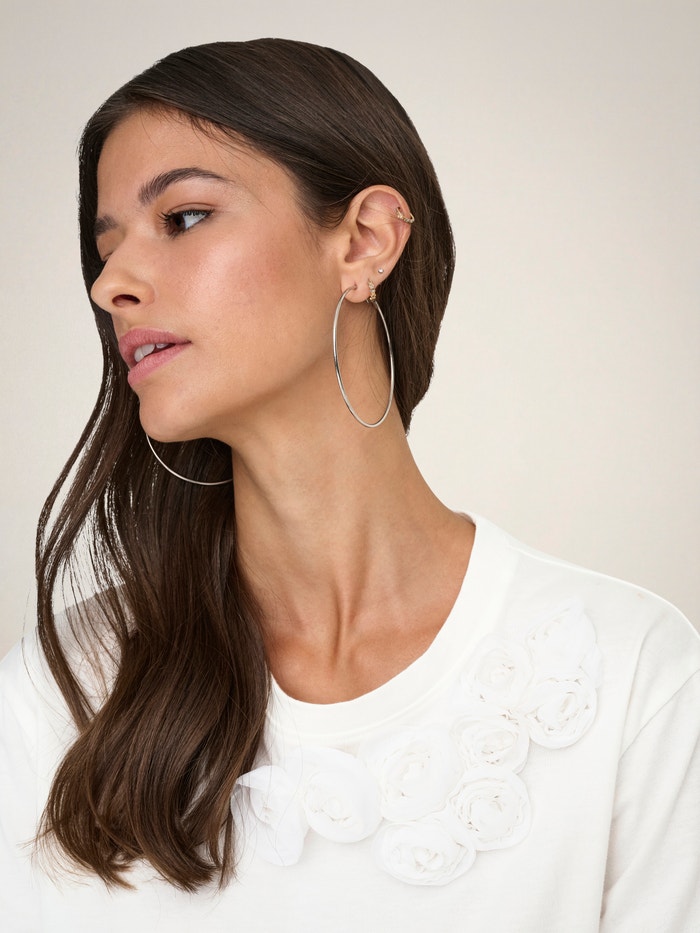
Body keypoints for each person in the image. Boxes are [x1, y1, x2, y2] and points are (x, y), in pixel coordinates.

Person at [0, 38, 698, 933]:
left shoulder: (632, 680)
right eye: (105, 248)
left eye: (183, 217)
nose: (111, 285)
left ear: (365, 241)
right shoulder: (63, 692)